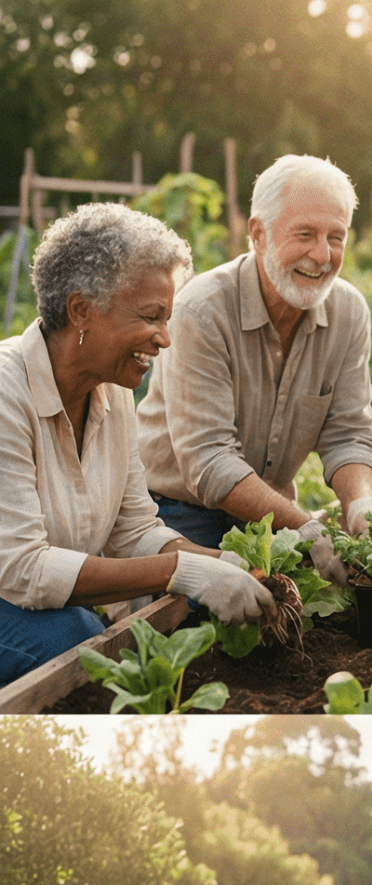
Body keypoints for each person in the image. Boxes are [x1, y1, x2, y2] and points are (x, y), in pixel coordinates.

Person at [0, 203, 274, 683]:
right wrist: (181, 572)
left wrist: (225, 563)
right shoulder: (7, 392)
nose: (165, 339)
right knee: (77, 644)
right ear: (81, 309)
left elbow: (132, 530)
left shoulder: (111, 391)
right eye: (152, 317)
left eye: (168, 319)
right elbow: (25, 570)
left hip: (37, 601)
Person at [138, 154, 372, 579]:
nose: (322, 255)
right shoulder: (201, 310)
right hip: (176, 512)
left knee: (312, 617)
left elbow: (349, 433)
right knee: (200, 621)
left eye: (336, 237)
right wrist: (305, 527)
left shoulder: (348, 312)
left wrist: (361, 507)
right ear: (258, 234)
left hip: (269, 512)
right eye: (304, 234)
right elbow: (210, 462)